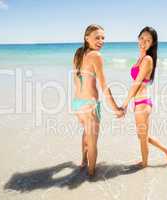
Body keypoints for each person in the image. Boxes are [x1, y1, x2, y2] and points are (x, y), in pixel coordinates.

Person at [72, 24, 124, 176]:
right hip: (90, 105)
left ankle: (83, 161)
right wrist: (116, 108)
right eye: (97, 37)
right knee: (93, 143)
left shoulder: (78, 53)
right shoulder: (96, 56)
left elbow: (77, 80)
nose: (101, 41)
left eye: (103, 38)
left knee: (86, 133)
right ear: (86, 38)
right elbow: (104, 86)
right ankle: (90, 177)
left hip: (77, 104)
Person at [121, 26, 167, 168]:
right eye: (142, 38)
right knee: (142, 136)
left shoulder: (148, 59)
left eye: (148, 40)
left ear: (152, 44)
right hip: (139, 102)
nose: (144, 42)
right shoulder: (141, 58)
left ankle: (144, 165)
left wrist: (125, 103)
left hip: (142, 103)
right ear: (138, 38)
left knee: (142, 138)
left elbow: (137, 83)